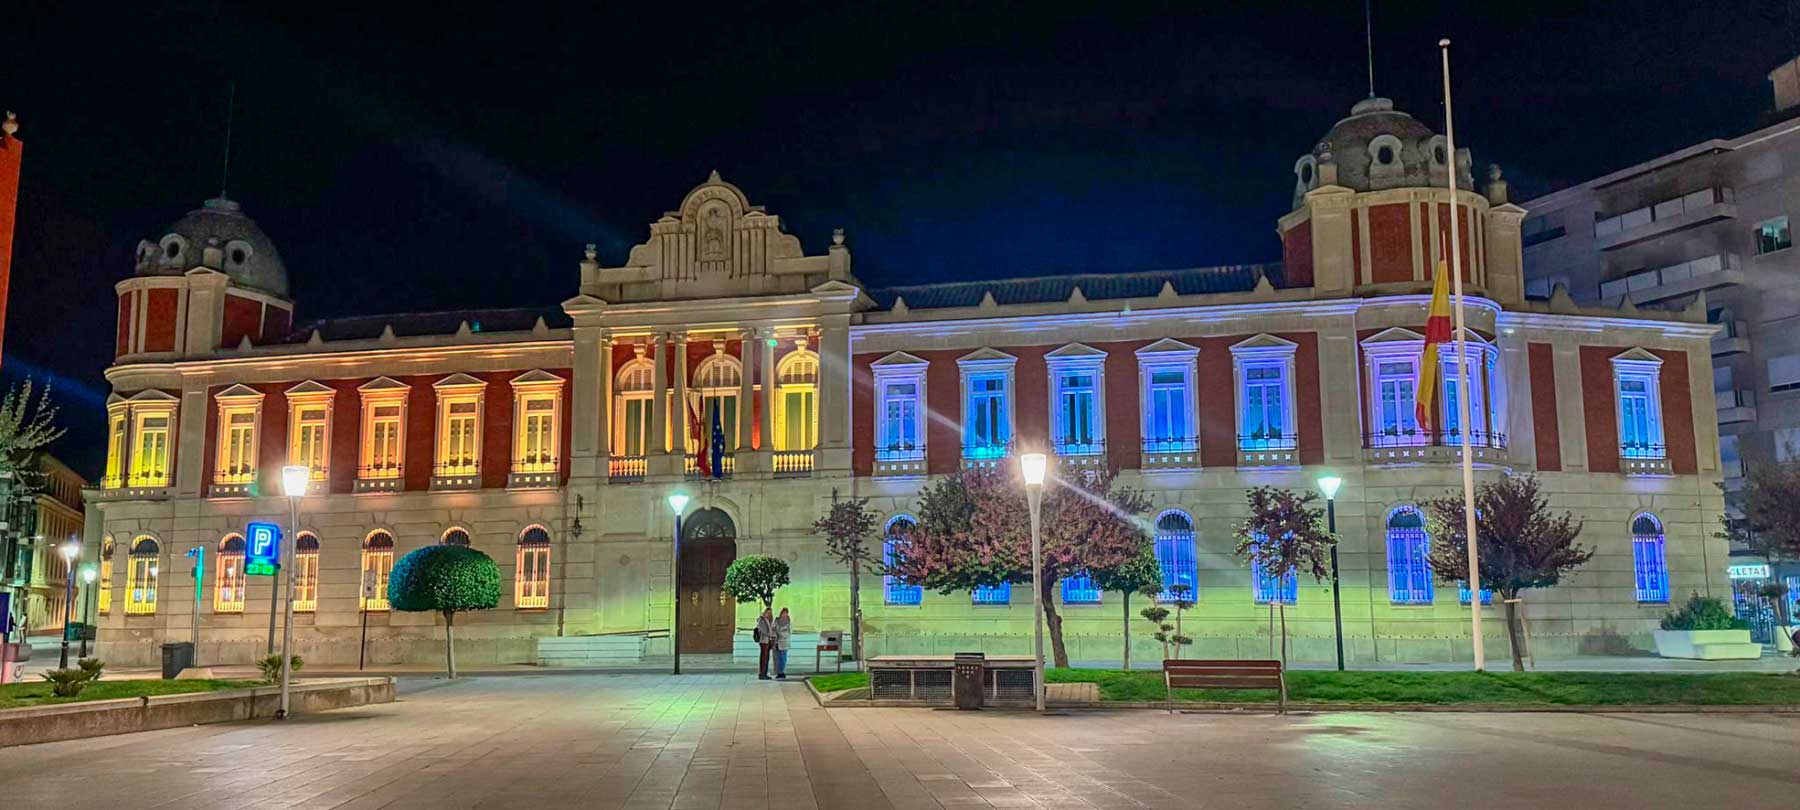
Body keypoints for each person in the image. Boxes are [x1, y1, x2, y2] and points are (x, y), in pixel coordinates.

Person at [754, 607, 775, 680]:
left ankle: (765, 673)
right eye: (768, 612)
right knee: (763, 658)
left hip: (768, 641)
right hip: (763, 641)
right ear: (765, 612)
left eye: (770, 613)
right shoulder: (761, 620)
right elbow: (763, 631)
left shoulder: (768, 620)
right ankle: (762, 674)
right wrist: (771, 635)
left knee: (767, 658)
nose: (769, 614)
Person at [773, 607, 793, 679]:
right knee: (777, 658)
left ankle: (782, 672)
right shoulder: (777, 620)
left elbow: (787, 632)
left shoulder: (788, 621)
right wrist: (775, 634)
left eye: (785, 613)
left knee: (783, 657)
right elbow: (773, 629)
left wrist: (779, 633)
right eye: (783, 613)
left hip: (784, 642)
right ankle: (778, 672)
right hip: (777, 642)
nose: (784, 614)